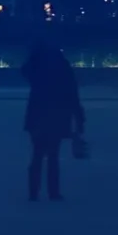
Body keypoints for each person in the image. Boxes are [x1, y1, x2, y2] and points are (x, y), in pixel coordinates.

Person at [22, 38, 85, 202]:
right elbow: (73, 94)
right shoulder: (63, 67)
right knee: (53, 155)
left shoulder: (36, 68)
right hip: (57, 115)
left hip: (37, 115)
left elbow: (25, 71)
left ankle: (33, 192)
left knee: (37, 155)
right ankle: (53, 191)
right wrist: (79, 118)